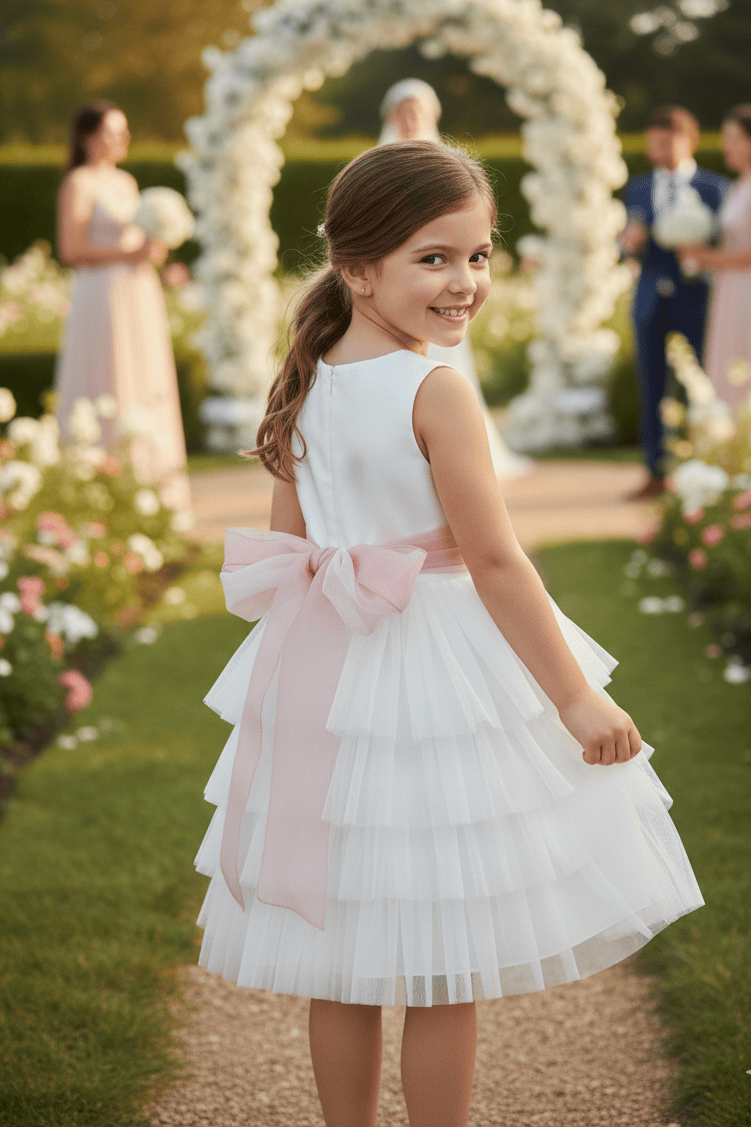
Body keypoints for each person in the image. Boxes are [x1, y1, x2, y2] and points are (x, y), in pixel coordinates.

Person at [194, 142, 703, 1127]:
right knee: (438, 960)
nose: (463, 280)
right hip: (428, 671)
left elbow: (289, 543)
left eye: (477, 255)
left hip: (319, 667)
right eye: (434, 257)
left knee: (336, 954)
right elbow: (498, 560)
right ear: (358, 268)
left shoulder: (302, 378)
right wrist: (573, 695)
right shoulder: (437, 389)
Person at [379, 79, 531, 479]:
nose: (411, 119)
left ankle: (460, 451)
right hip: (404, 286)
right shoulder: (375, 167)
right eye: (404, 112)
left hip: (438, 290)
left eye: (418, 111)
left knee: (448, 363)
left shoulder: (454, 170)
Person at [55, 100, 192, 515]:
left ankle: (151, 482)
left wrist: (154, 256)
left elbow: (133, 244)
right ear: (87, 137)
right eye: (112, 132)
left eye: (123, 131)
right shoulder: (78, 183)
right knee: (104, 374)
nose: (121, 140)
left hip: (138, 293)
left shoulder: (128, 183)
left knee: (144, 375)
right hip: (100, 295)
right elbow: (72, 248)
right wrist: (127, 256)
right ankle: (97, 482)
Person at [621, 106, 729, 498]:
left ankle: (715, 466)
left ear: (688, 141)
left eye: (666, 141)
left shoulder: (715, 187)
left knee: (709, 383)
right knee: (651, 386)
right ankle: (655, 472)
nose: (658, 149)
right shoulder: (637, 188)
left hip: (698, 299)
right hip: (650, 299)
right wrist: (627, 243)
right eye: (653, 142)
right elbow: (628, 244)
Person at [677, 105, 751, 413]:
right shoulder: (739, 185)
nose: (725, 146)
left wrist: (706, 257)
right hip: (730, 290)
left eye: (733, 138)